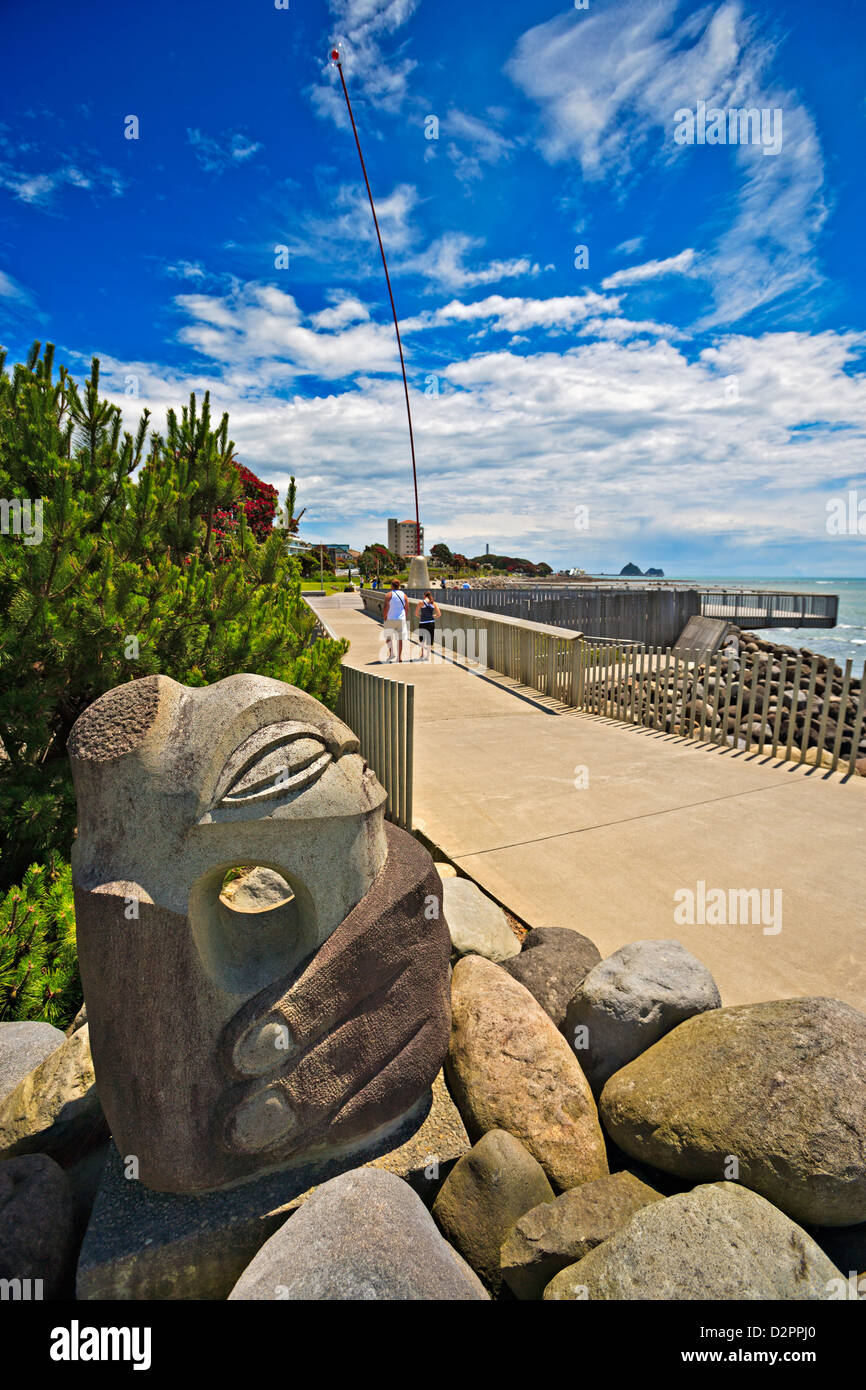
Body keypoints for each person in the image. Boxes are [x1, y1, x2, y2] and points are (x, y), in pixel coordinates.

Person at [382, 579, 409, 662]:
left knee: (388, 638)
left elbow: (385, 608)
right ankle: (399, 657)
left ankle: (391, 654)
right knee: (399, 639)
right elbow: (407, 608)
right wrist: (404, 617)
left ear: (392, 586)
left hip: (391, 619)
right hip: (401, 619)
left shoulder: (388, 595)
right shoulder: (404, 595)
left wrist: (384, 617)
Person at [415, 590, 441, 661]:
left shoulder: (421, 603)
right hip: (431, 623)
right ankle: (427, 657)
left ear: (424, 596)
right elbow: (439, 614)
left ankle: (422, 653)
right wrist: (433, 616)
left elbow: (416, 613)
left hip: (423, 623)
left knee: (422, 639)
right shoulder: (434, 603)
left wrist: (421, 617)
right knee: (430, 640)